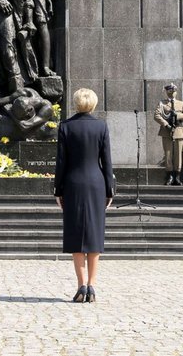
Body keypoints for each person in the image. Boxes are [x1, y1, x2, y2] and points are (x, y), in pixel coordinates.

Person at [54, 88, 114, 303]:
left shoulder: (66, 126)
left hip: (73, 183)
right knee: (95, 235)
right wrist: (110, 189)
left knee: (75, 234)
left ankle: (81, 286)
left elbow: (61, 162)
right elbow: (107, 162)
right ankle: (92, 285)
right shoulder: (101, 126)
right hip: (96, 183)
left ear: (76, 103)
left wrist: (57, 189)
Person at [154, 83, 183, 186]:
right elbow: (156, 115)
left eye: (173, 92)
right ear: (167, 92)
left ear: (176, 92)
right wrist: (165, 124)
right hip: (166, 131)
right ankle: (170, 176)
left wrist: (177, 115)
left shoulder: (181, 103)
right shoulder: (162, 104)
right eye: (170, 92)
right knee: (168, 154)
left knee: (178, 155)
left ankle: (177, 176)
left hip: (179, 130)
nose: (172, 94)